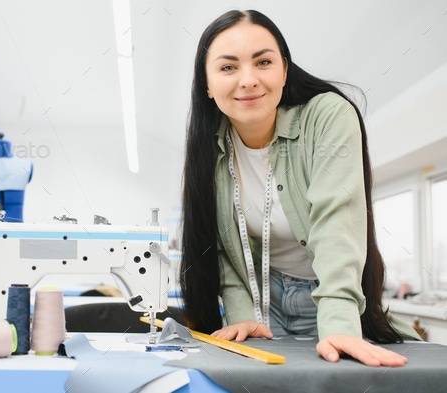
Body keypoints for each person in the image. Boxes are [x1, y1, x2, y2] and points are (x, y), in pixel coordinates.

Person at [179, 9, 421, 367]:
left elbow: (336, 221)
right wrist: (243, 313)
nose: (248, 80)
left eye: (263, 62)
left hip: (330, 294)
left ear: (284, 70)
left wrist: (340, 323)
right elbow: (223, 249)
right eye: (228, 67)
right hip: (263, 302)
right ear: (208, 85)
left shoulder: (327, 116)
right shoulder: (208, 148)